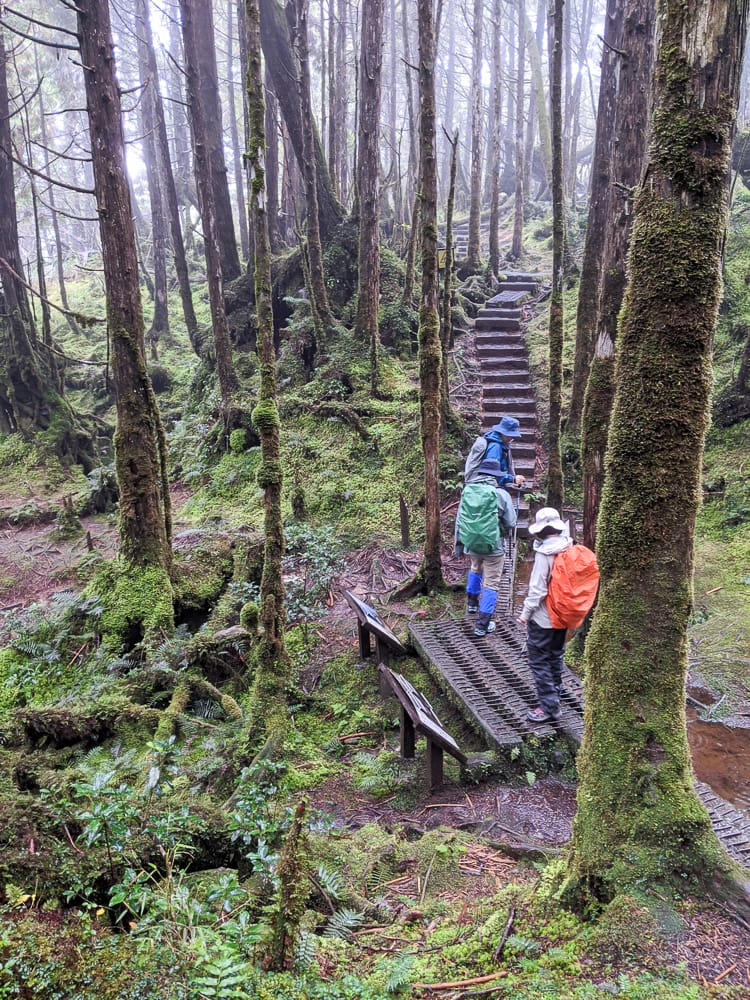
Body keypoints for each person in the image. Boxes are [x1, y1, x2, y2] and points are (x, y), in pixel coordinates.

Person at [517, 507, 572, 723]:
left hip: (543, 618)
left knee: (539, 660)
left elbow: (537, 590)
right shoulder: (569, 548)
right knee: (555, 655)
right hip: (564, 615)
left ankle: (549, 707)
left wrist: (525, 614)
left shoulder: (544, 554)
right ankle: (555, 694)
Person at [455, 458, 517, 637]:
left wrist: (459, 544)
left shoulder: (468, 491)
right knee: (492, 582)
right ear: (496, 476)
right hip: (494, 547)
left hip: (471, 543)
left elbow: (460, 520)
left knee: (475, 568)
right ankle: (482, 625)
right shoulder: (500, 494)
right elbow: (511, 522)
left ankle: (472, 604)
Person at [464, 415, 526, 488]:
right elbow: (490, 474)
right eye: (510, 435)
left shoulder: (499, 443)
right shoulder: (495, 447)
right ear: (503, 433)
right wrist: (513, 479)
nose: (512, 438)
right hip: (489, 490)